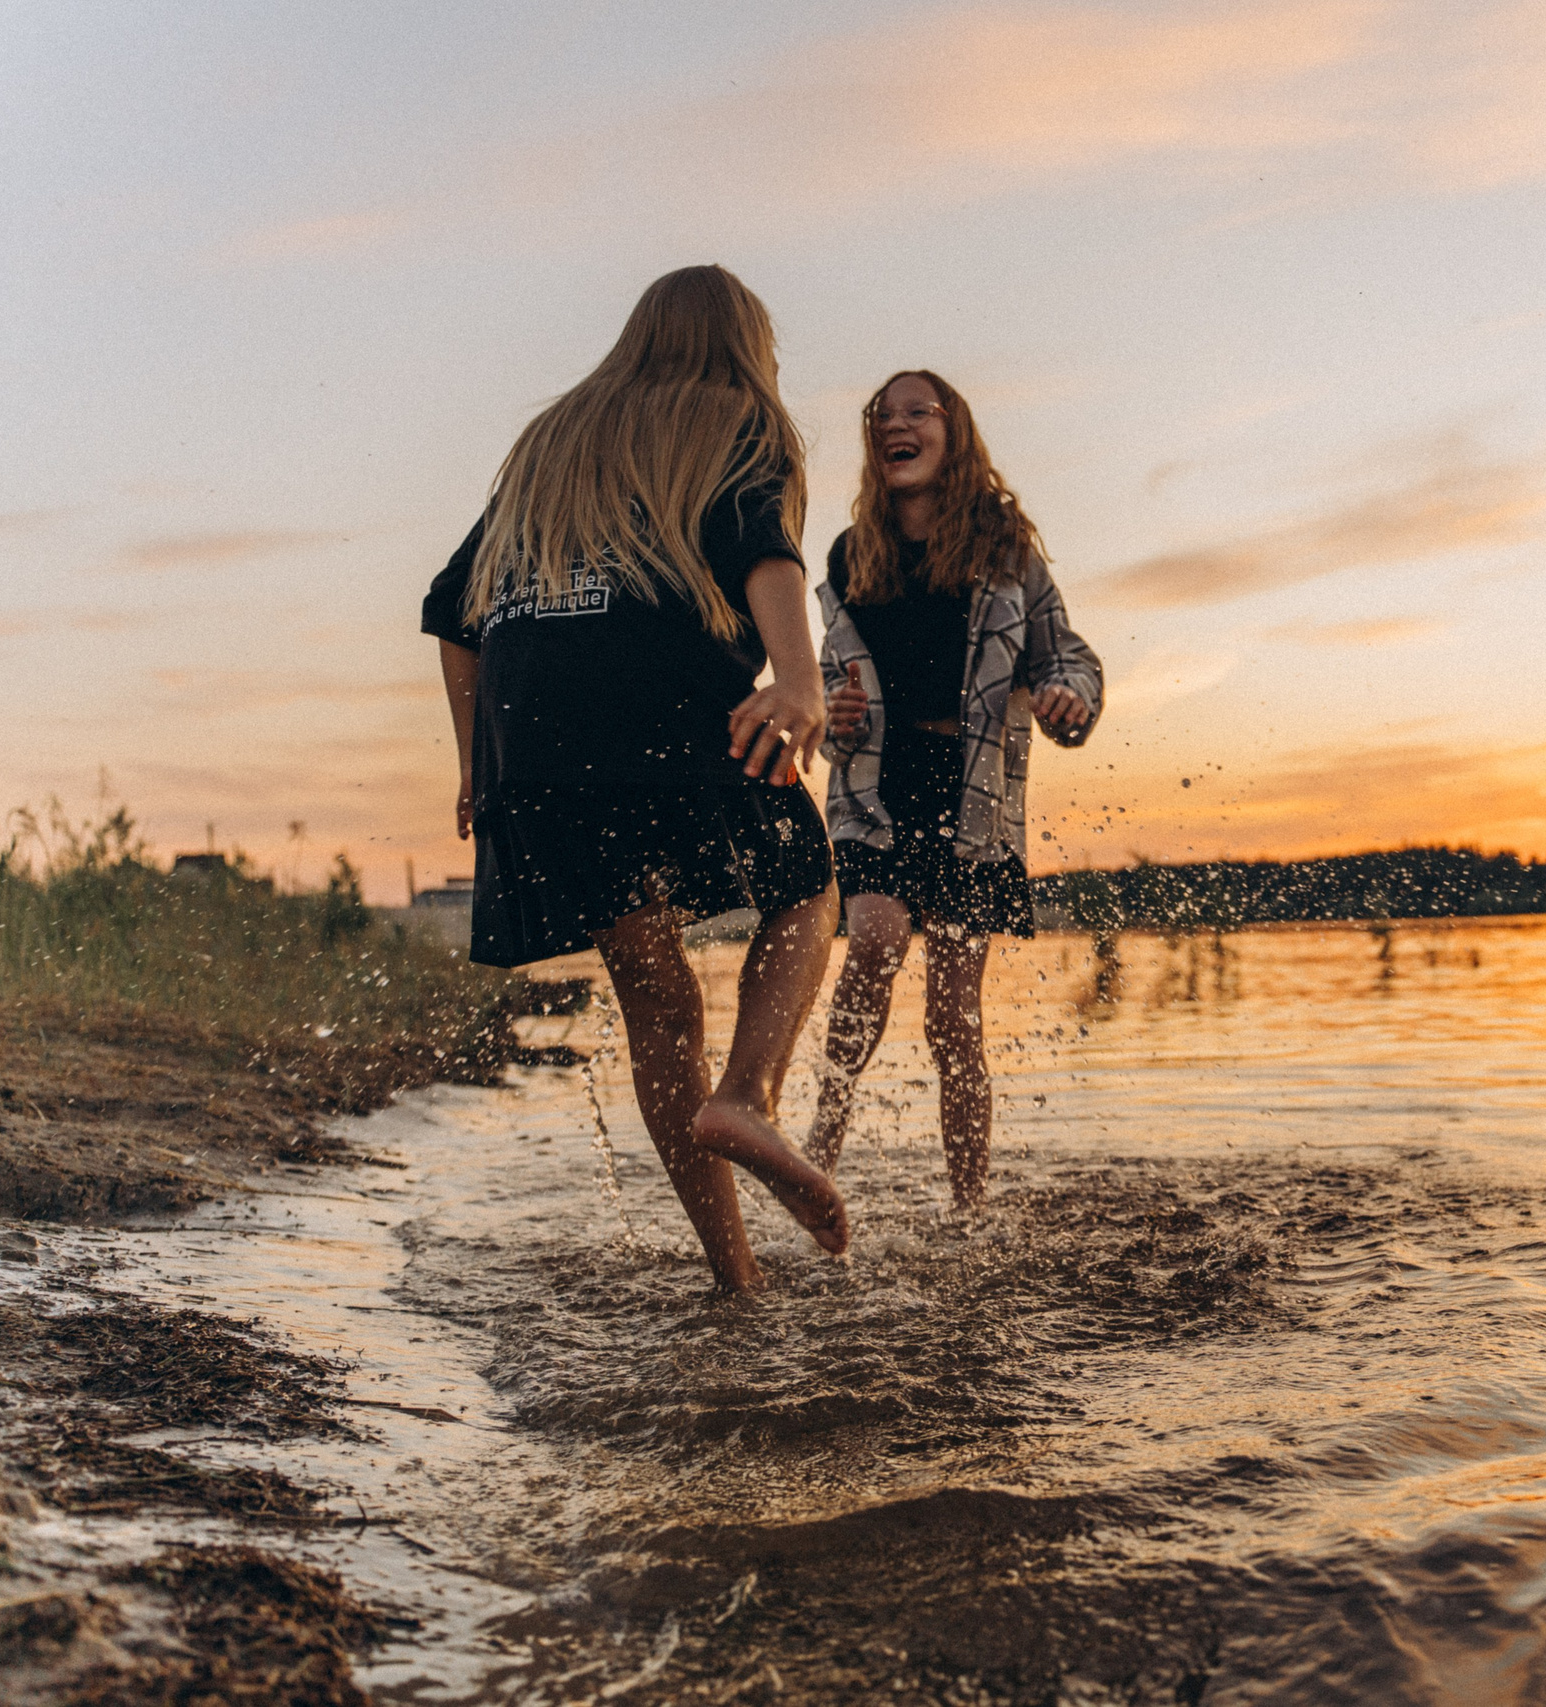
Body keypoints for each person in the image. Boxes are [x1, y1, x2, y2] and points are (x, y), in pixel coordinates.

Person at [423, 265, 850, 1292]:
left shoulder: (553, 440)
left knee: (656, 1000)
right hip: (656, 708)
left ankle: (735, 1281)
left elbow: (453, 616)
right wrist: (797, 678)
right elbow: (767, 553)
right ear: (745, 344)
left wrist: (478, 765)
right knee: (808, 887)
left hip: (535, 749)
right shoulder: (736, 414)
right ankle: (746, 1095)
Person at [808, 370, 1102, 1209]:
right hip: (875, 788)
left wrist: (1067, 699)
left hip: (973, 798)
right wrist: (839, 712)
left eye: (916, 412)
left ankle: (968, 1211)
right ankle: (816, 1162)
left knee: (952, 1018)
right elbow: (826, 698)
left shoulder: (1006, 552)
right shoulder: (847, 552)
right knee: (872, 941)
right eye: (881, 416)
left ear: (953, 431)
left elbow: (1065, 657)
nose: (895, 425)